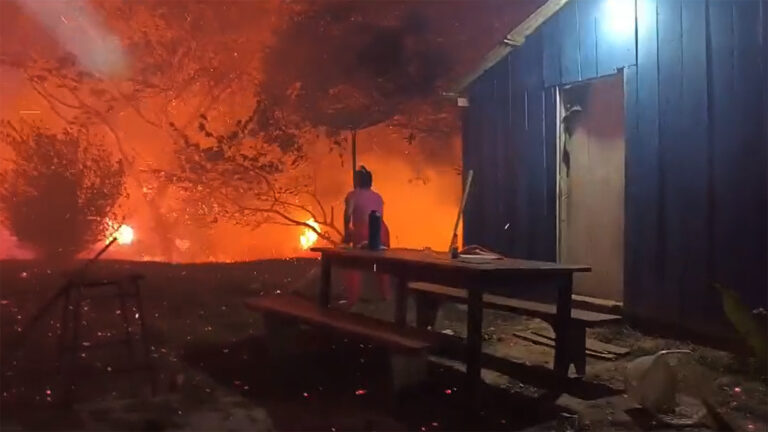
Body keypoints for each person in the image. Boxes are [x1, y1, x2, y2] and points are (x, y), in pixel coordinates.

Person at [341, 166, 391, 305]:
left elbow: (347, 215)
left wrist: (347, 233)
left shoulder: (352, 195)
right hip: (382, 230)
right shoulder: (378, 197)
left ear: (357, 181)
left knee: (353, 263)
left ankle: (352, 297)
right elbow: (379, 216)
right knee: (381, 263)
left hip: (363, 230)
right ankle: (385, 294)